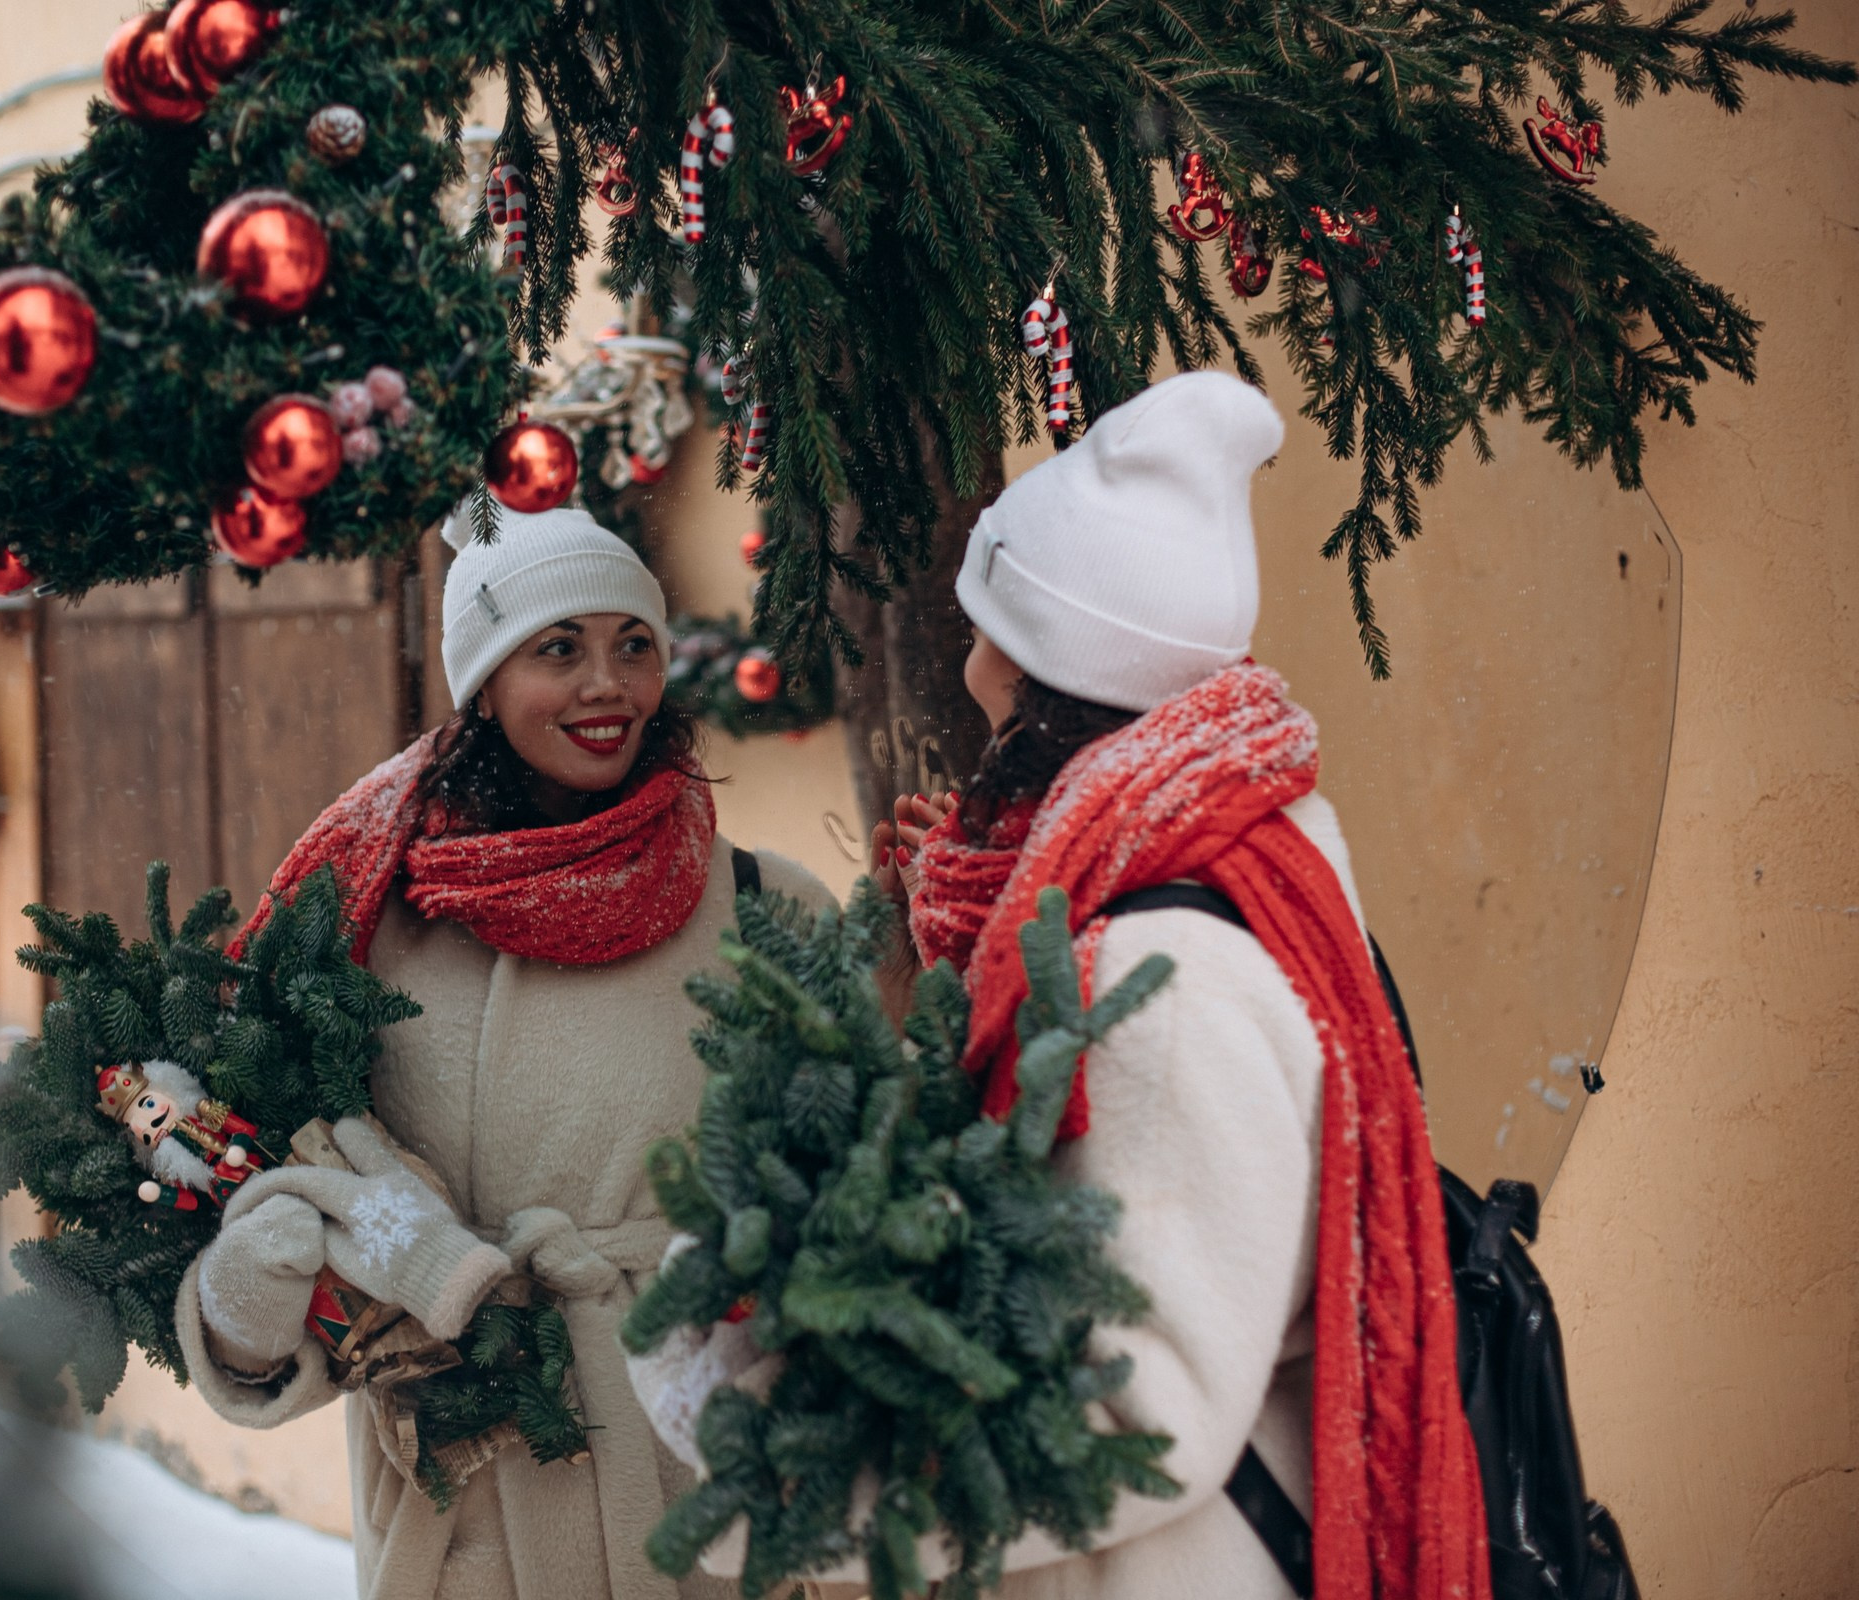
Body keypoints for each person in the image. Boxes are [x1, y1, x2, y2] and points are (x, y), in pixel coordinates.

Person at [651, 371, 1490, 1600]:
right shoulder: (1232, 847)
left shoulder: (1164, 971)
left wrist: (787, 1457)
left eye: (991, 627)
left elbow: (1134, 1403)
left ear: (1048, 663)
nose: (974, 663)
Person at [176, 500, 837, 1600]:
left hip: (708, 1493)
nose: (606, 685)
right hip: (469, 1497)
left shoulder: (773, 909)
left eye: (635, 644)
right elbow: (299, 1202)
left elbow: (869, 1190)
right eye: (558, 648)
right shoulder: (363, 928)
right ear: (481, 681)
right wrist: (249, 1299)